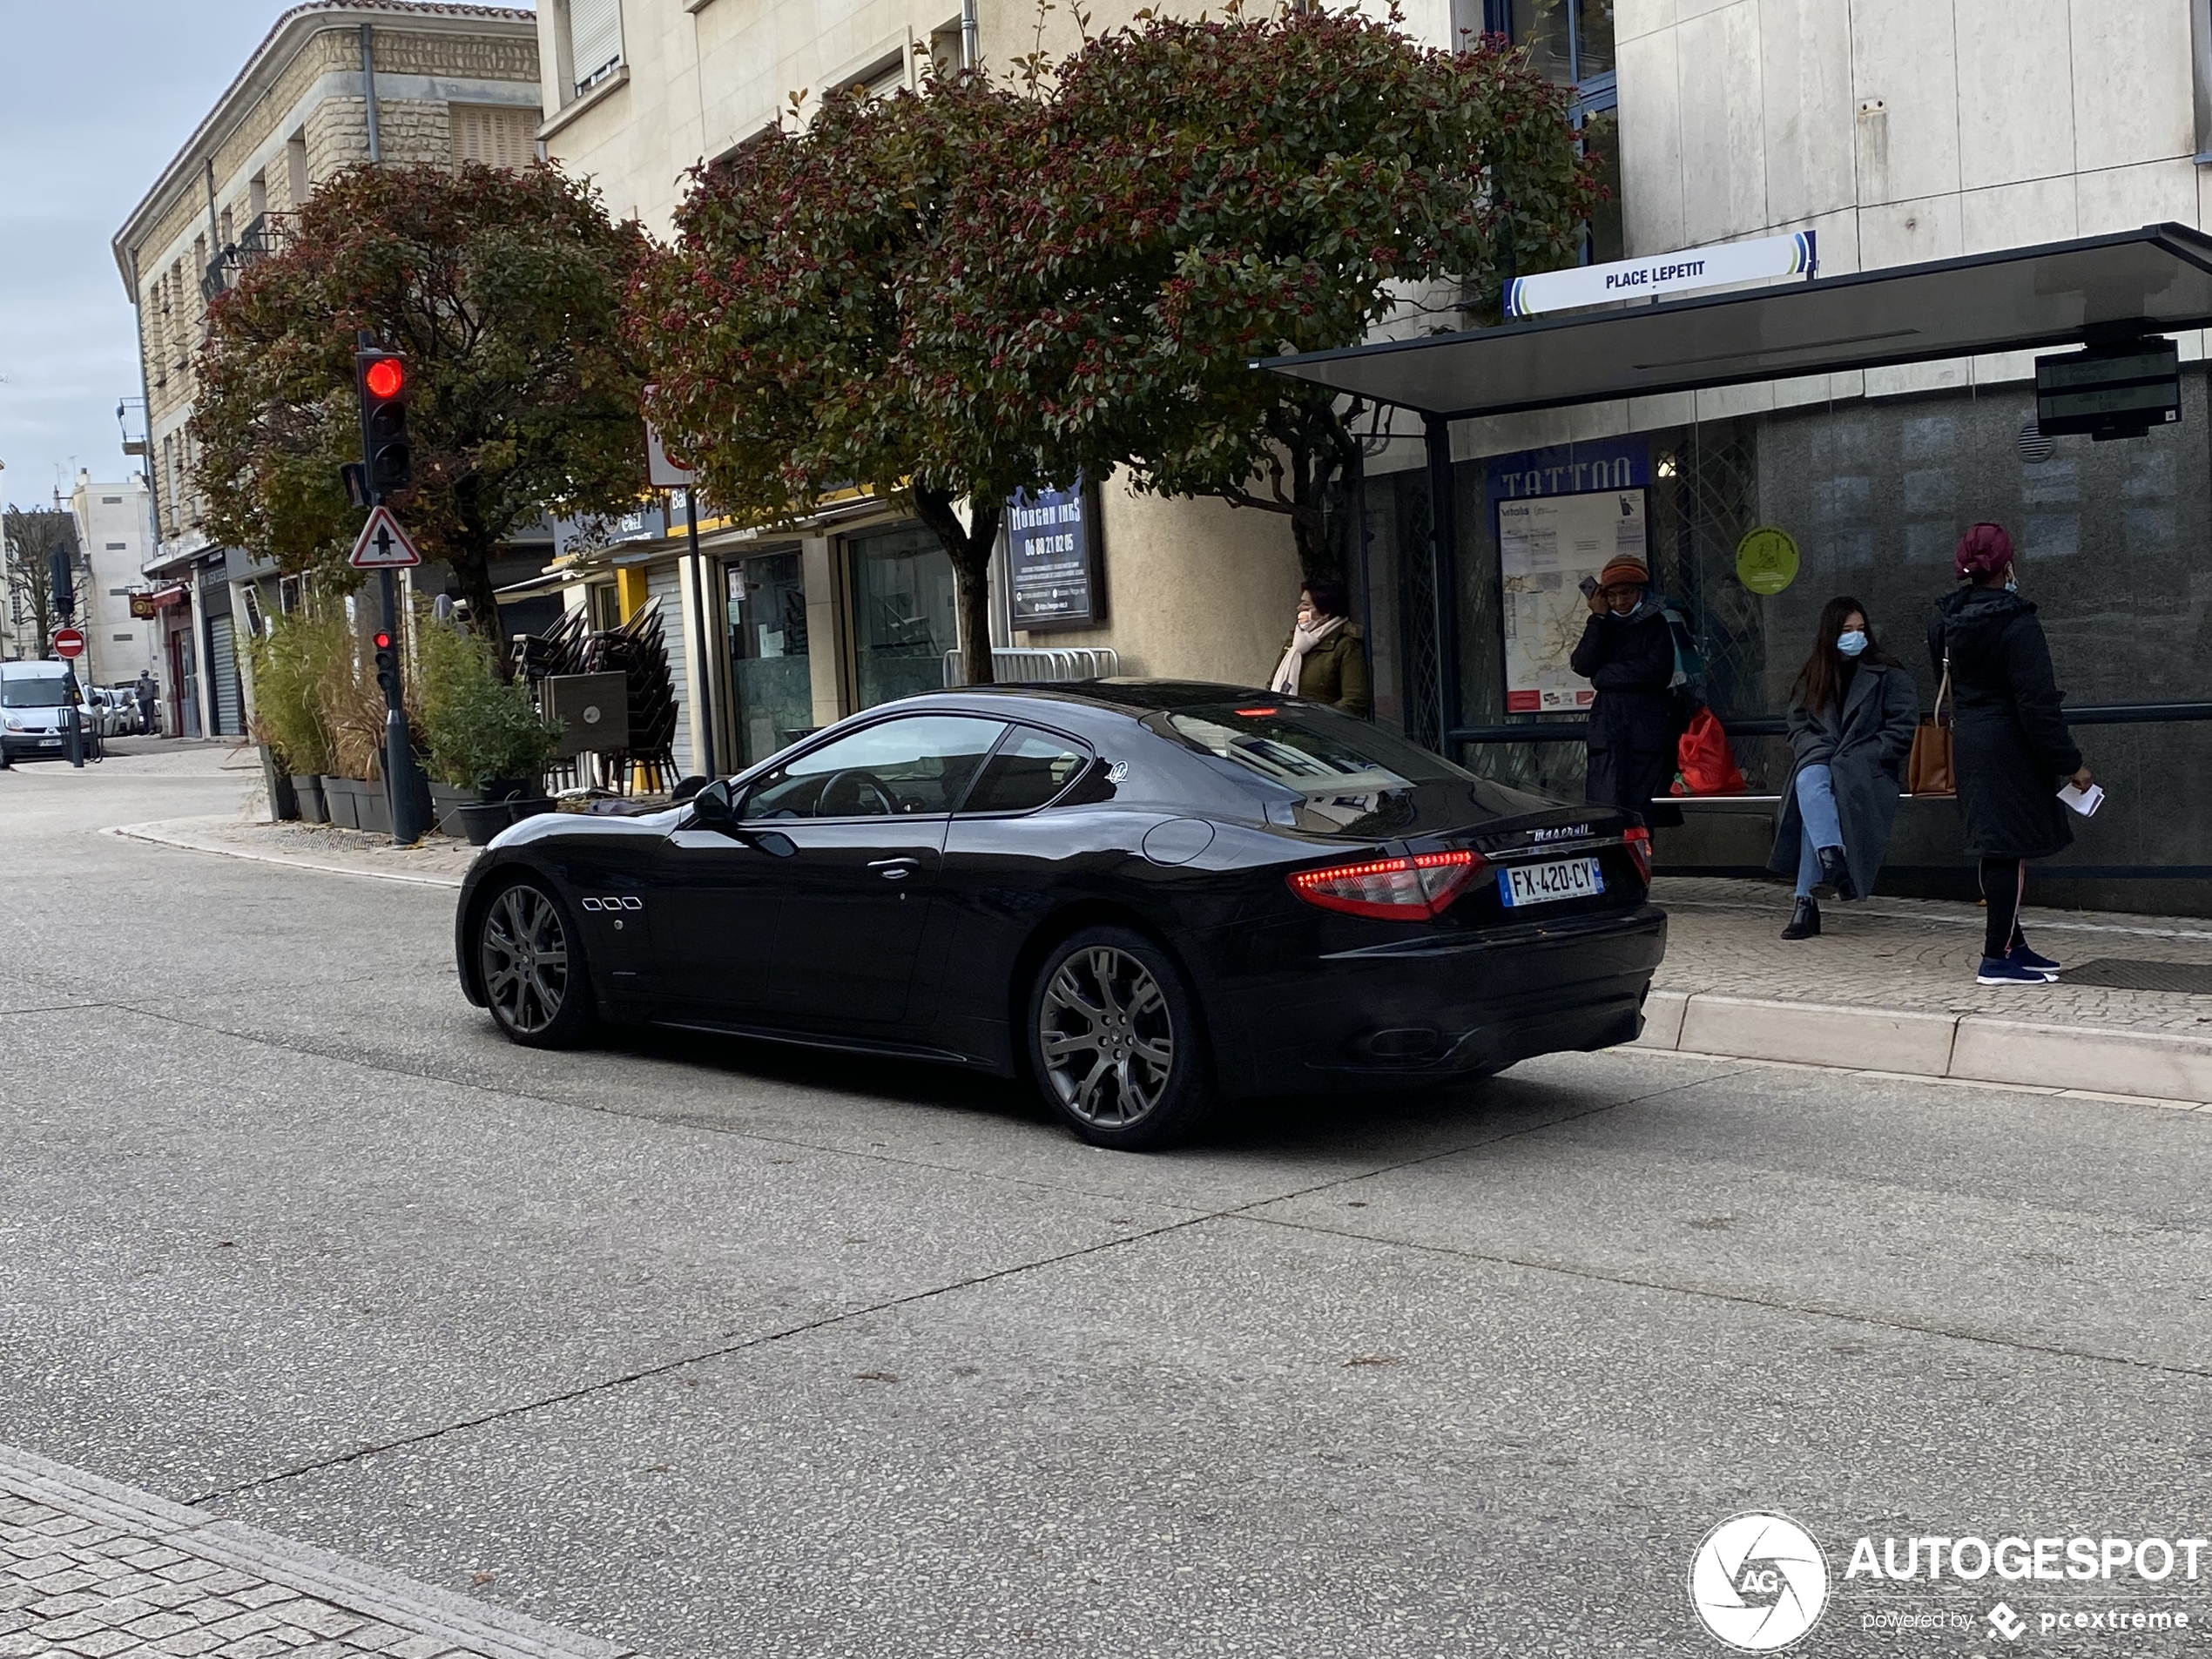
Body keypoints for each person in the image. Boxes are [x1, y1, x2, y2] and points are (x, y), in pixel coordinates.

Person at [1927, 522, 2093, 985]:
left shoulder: (1944, 620)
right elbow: (2036, 704)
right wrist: (2071, 763)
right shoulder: (2017, 623)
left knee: (1995, 846)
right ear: (2008, 565)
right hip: (2011, 748)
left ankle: (2013, 944)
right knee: (2009, 852)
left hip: (1972, 742)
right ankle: (1996, 957)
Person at [1768, 597, 1921, 940]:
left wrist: (1865, 753)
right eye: (1847, 630)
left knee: (1813, 804)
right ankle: (1833, 859)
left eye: (1861, 629)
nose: (1856, 636)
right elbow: (1798, 726)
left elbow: (1903, 728)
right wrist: (1820, 750)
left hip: (1866, 767)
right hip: (1821, 757)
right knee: (1810, 778)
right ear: (1830, 634)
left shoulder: (1888, 672)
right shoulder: (1814, 675)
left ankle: (1808, 899)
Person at [1569, 556, 1685, 826]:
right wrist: (1598, 618)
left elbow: (1656, 671)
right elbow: (1582, 664)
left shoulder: (1661, 621)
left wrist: (1604, 674)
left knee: (1642, 819)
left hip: (1646, 734)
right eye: (1612, 595)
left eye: (1627, 593)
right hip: (1609, 736)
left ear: (1641, 592)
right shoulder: (1604, 625)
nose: (1620, 602)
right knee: (1607, 815)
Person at [1269, 578, 1370, 716]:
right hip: (1286, 728)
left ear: (1325, 612)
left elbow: (1355, 701)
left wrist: (1315, 720)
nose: (1299, 608)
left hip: (1320, 732)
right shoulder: (1294, 642)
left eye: (1305, 604)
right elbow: (1272, 685)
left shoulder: (1345, 645)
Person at [134, 670, 156, 736]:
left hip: (149, 700)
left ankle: (151, 729)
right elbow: (136, 692)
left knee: (150, 715)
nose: (144, 677)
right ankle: (145, 729)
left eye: (145, 675)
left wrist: (152, 696)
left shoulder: (151, 682)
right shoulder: (138, 682)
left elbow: (154, 690)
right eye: (143, 675)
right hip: (142, 700)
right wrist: (140, 689)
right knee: (144, 715)